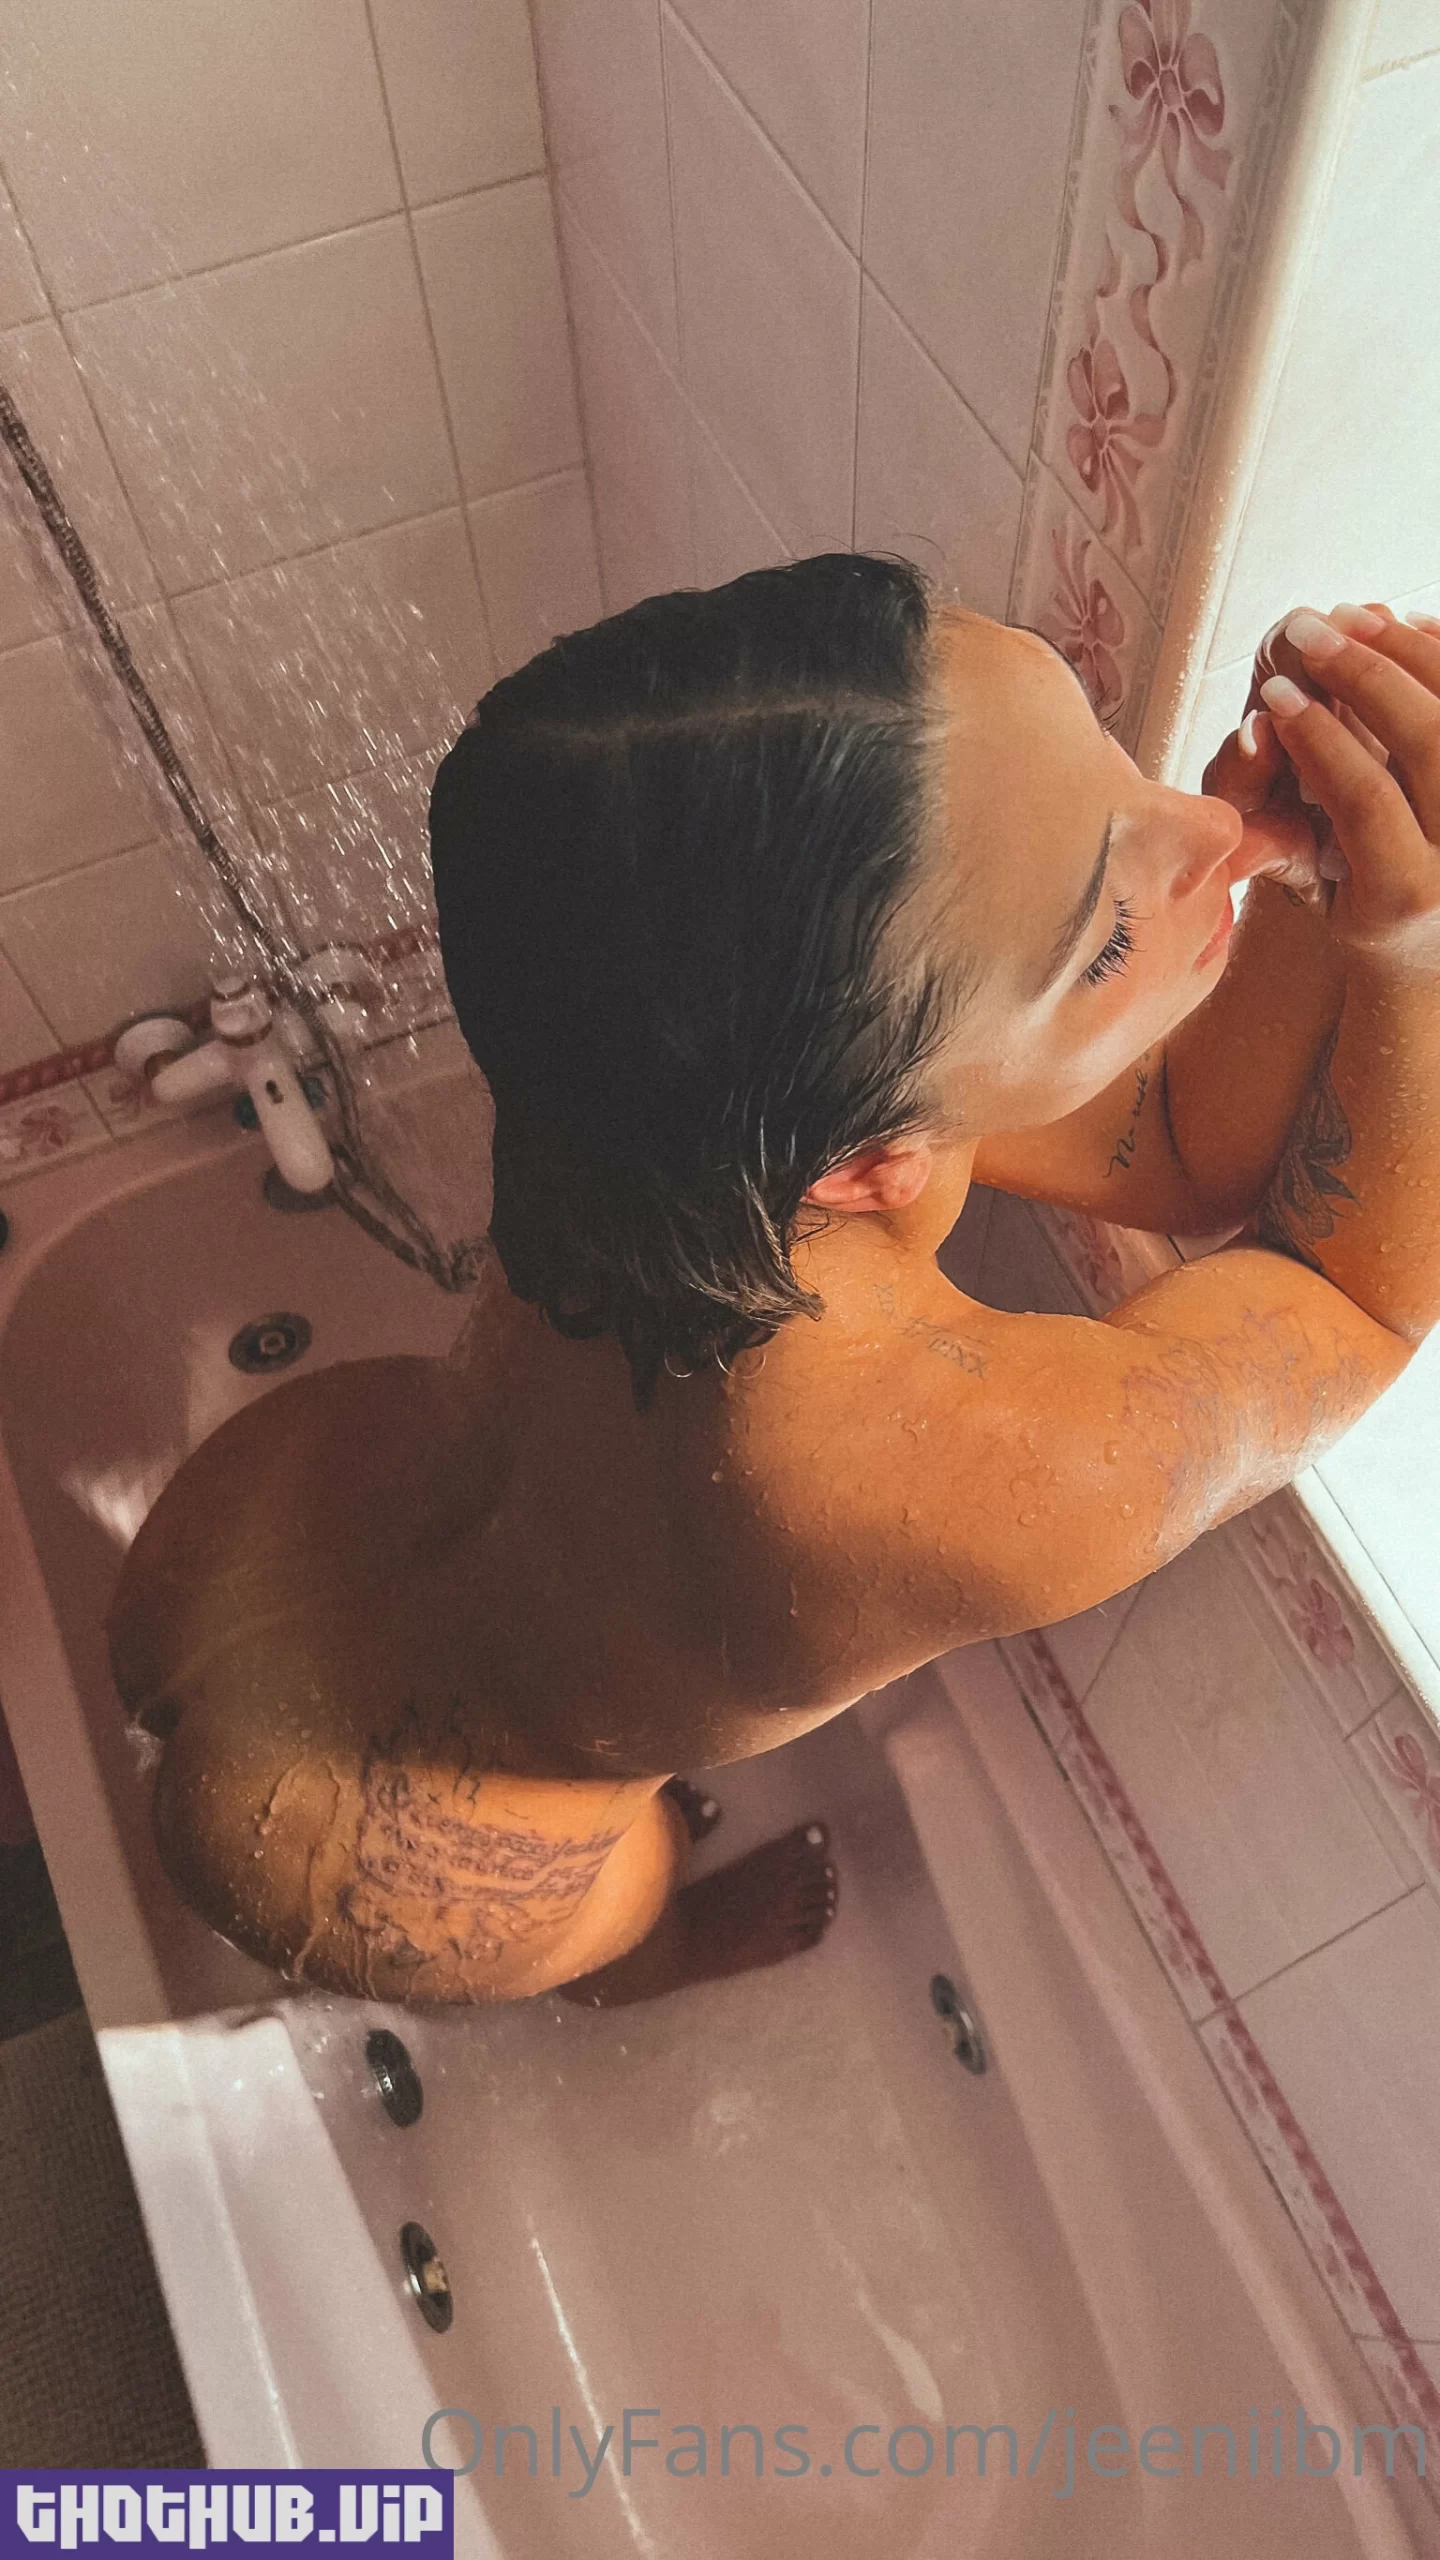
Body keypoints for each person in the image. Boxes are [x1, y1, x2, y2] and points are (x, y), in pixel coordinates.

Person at [106, 554, 1440, 2011]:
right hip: (402, 1834)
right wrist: (1422, 958)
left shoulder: (678, 1019)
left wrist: (1303, 874)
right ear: (868, 1166)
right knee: (626, 1908)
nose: (1205, 823)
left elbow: (1184, 1142)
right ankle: (664, 1953)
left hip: (257, 1534)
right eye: (1099, 941)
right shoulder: (959, 1468)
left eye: (1100, 756)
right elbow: (1351, 1301)